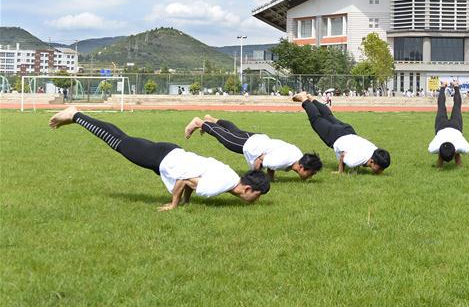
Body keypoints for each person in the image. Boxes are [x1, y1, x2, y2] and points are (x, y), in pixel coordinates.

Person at [48, 106, 269, 211]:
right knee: (118, 142)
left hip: (171, 152)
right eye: (257, 197)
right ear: (249, 190)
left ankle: (75, 116)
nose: (255, 201)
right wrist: (174, 204)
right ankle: (75, 115)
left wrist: (185, 201)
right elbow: (185, 181)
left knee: (122, 140)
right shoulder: (218, 187)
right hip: (161, 158)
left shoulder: (229, 175)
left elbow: (194, 176)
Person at [184, 115, 322, 181]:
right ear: (303, 168)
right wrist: (253, 178)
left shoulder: (296, 154)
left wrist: (270, 177)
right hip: (251, 145)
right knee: (225, 138)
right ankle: (198, 123)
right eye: (312, 172)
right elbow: (260, 161)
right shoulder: (284, 161)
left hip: (259, 139)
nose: (312, 175)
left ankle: (212, 120)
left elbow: (272, 161)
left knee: (233, 131)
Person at [293, 92, 390, 174]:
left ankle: (311, 99)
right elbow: (343, 155)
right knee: (316, 119)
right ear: (372, 162)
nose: (381, 171)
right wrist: (340, 170)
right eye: (380, 168)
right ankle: (304, 98)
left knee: (328, 116)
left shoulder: (376, 150)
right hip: (336, 136)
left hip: (349, 131)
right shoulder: (354, 162)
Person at [428, 81, 469, 167]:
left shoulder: (463, 147)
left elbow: (467, 149)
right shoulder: (433, 148)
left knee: (456, 106)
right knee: (441, 106)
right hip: (441, 126)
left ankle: (455, 86)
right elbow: (432, 149)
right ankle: (444, 87)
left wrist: (456, 150)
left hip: (455, 127)